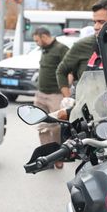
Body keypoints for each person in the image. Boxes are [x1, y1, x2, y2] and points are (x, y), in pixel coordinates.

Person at [55, 0, 107, 97]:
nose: (96, 27)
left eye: (102, 22)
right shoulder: (83, 45)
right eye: (94, 22)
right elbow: (61, 71)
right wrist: (67, 100)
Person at [32, 27, 69, 167]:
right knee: (42, 126)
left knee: (56, 128)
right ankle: (46, 157)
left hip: (55, 95)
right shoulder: (44, 49)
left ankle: (59, 157)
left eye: (37, 40)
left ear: (44, 36)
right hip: (40, 94)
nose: (36, 43)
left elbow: (68, 70)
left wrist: (66, 94)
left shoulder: (61, 49)